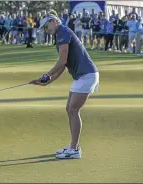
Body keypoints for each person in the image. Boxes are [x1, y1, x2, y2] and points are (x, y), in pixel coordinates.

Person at [30, 15, 99, 159]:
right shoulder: (60, 36)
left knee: (73, 109)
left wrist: (47, 74)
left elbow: (61, 61)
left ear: (54, 21)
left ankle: (74, 150)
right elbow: (64, 65)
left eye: (46, 26)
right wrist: (48, 80)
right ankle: (74, 146)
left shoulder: (63, 31)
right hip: (81, 76)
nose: (46, 30)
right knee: (69, 109)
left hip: (87, 75)